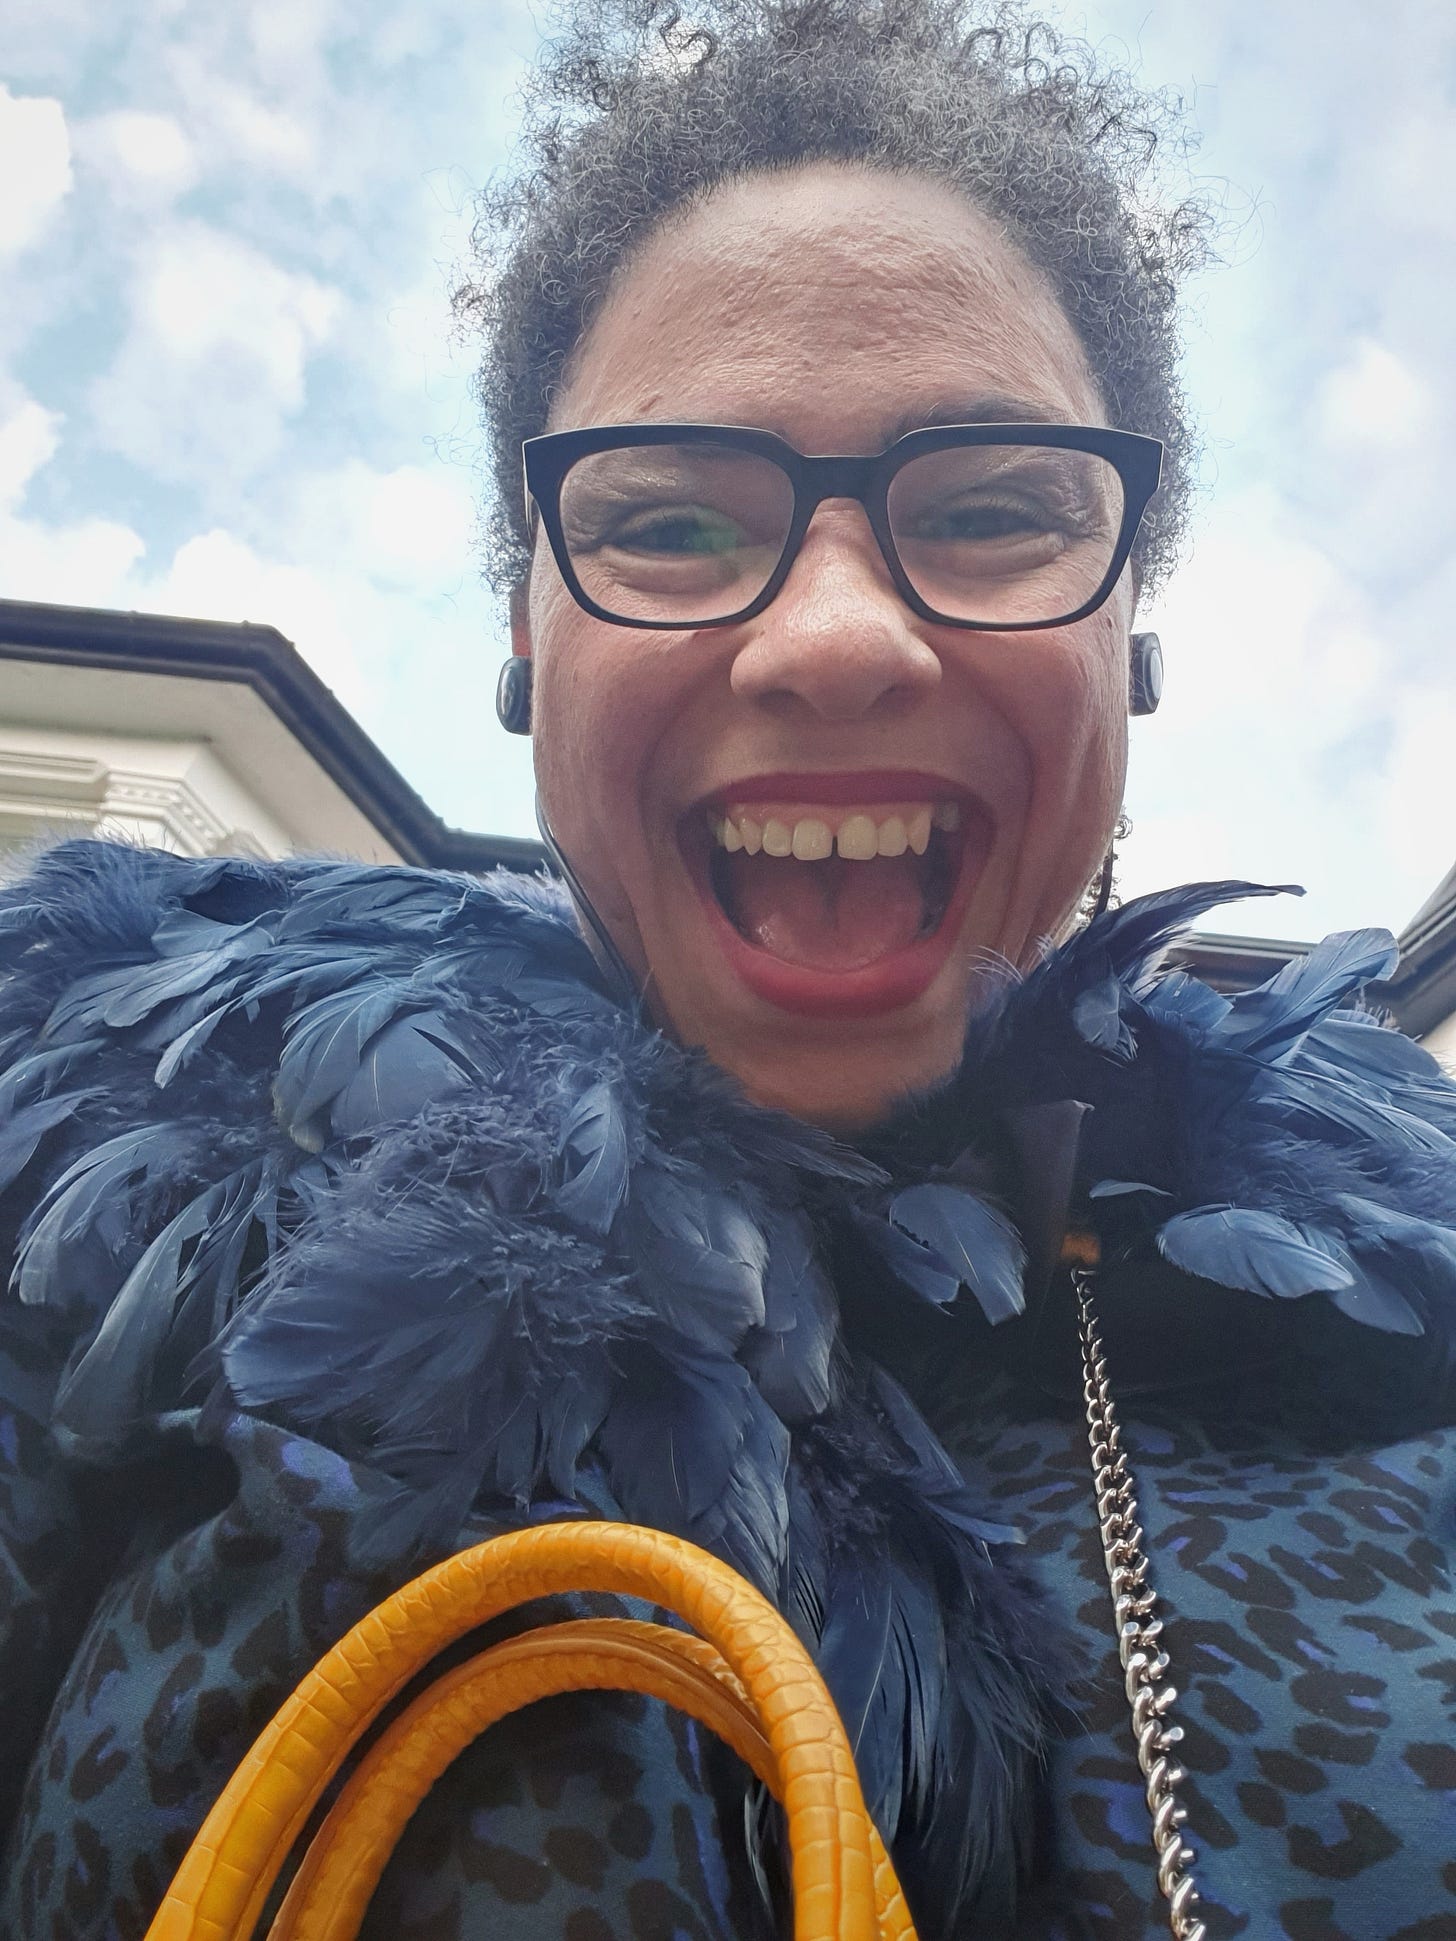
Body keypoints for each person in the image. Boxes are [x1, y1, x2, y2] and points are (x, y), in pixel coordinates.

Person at [2, 2, 1454, 1936]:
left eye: (995, 510)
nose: (837, 636)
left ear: (1132, 635)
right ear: (525, 631)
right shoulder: (84, 1214)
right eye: (670, 523)